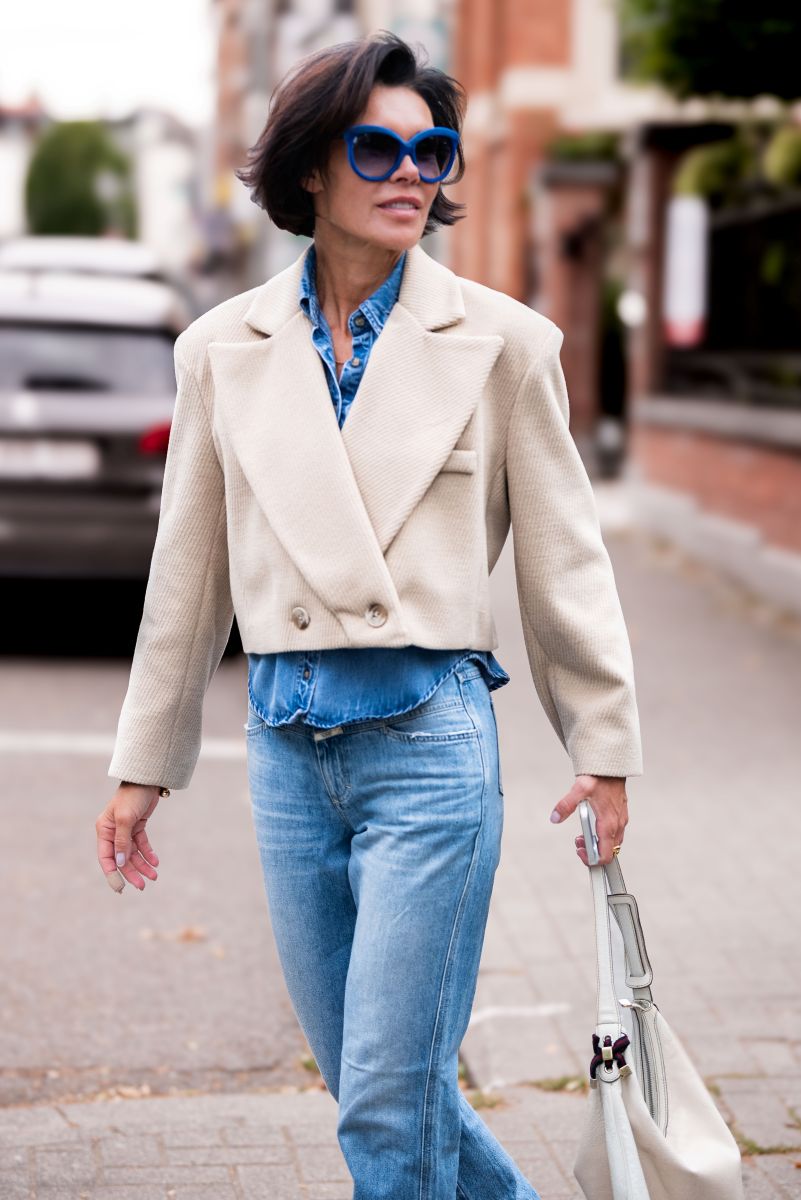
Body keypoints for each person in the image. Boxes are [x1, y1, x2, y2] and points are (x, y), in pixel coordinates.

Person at [96, 29, 643, 1200]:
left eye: (432, 150)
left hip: (430, 750)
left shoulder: (505, 345)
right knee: (378, 1091)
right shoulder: (220, 352)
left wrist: (605, 752)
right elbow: (184, 583)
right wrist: (145, 767)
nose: (412, 172)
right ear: (310, 170)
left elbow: (566, 568)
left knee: (387, 1114)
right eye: (378, 146)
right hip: (289, 757)